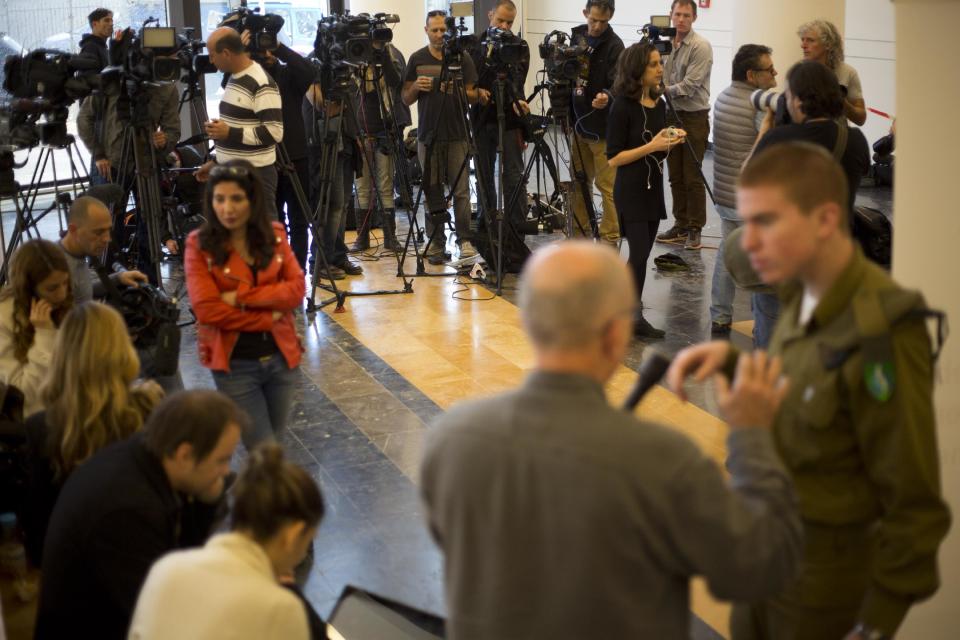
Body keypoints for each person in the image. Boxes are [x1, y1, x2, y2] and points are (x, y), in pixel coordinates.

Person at [421, 240, 803, 639]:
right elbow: (760, 568)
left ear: (528, 322)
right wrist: (754, 439)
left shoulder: (449, 440)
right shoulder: (664, 461)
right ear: (616, 333)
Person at [667, 143, 951, 640]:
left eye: (766, 224)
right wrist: (733, 363)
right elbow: (809, 391)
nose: (747, 243)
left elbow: (914, 507)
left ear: (824, 220)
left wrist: (874, 627)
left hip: (822, 596)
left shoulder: (879, 333)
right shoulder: (802, 291)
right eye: (746, 222)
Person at [35, 390, 245, 639]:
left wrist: (206, 504)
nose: (225, 472)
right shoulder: (128, 511)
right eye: (222, 460)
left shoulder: (144, 457)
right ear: (184, 454)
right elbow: (160, 617)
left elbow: (181, 566)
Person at [129, 442, 323, 640]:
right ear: (292, 534)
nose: (302, 555)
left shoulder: (167, 568)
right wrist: (292, 593)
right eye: (308, 540)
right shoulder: (279, 608)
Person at [21, 302, 162, 567]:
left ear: (63, 355)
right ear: (121, 349)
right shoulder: (148, 410)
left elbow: (40, 523)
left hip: (75, 566)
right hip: (142, 559)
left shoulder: (41, 428)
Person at [748, 60, 870, 347]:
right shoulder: (855, 140)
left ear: (800, 100)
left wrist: (766, 130)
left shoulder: (780, 138)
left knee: (774, 349)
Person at [184, 160, 305, 450]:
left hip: (281, 358)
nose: (227, 208)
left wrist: (239, 298)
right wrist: (269, 316)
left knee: (275, 445)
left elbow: (297, 290)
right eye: (219, 199)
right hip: (235, 365)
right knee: (264, 451)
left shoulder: (274, 234)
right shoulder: (198, 245)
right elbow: (207, 310)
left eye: (236, 198)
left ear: (252, 200)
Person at [76, 40, 181, 285]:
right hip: (111, 161)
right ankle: (110, 280)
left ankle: (149, 283)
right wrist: (98, 153)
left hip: (146, 161)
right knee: (107, 223)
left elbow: (173, 129)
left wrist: (164, 140)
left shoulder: (167, 88)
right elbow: (84, 120)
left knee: (150, 218)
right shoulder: (112, 83)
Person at [606, 43, 685, 340]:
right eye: (653, 64)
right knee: (638, 253)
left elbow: (656, 149)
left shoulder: (660, 104)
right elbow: (614, 158)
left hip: (652, 187)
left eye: (660, 63)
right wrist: (652, 146)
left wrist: (669, 140)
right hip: (630, 189)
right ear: (637, 70)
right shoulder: (621, 106)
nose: (660, 69)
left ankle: (630, 315)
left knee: (643, 254)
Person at [709, 44, 777, 337]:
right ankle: (763, 322)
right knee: (764, 261)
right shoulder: (757, 105)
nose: (775, 74)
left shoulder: (723, 97)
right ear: (751, 75)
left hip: (724, 193)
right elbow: (771, 149)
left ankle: (720, 315)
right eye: (769, 69)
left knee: (727, 251)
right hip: (749, 198)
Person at [402, 9, 479, 263]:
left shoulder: (462, 57)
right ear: (426, 30)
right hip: (428, 135)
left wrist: (454, 89)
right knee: (431, 189)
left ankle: (464, 240)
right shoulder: (416, 59)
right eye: (433, 30)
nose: (438, 35)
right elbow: (405, 97)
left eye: (442, 30)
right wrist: (415, 86)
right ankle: (435, 243)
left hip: (457, 132)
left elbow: (473, 94)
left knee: (461, 191)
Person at [196, 27, 283, 221]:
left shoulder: (260, 82)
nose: (210, 61)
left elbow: (274, 132)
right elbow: (239, 126)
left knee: (261, 241)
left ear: (226, 53)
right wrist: (217, 161)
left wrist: (229, 132)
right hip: (235, 173)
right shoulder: (234, 78)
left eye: (212, 55)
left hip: (256, 176)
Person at [657, 0, 714, 250]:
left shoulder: (700, 47)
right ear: (670, 15)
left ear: (694, 18)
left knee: (692, 176)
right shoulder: (663, 44)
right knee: (675, 176)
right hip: (670, 114)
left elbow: (690, 86)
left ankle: (695, 228)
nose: (681, 19)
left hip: (694, 116)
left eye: (686, 15)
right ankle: (680, 224)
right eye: (677, 14)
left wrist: (658, 90)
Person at [255, 39, 316, 270]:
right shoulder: (251, 79)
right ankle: (278, 269)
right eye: (261, 48)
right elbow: (227, 81)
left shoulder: (289, 75)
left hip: (296, 154)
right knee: (274, 219)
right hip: (265, 156)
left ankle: (298, 272)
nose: (266, 52)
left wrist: (278, 47)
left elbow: (309, 71)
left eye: (269, 48)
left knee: (300, 219)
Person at [567, 0, 624, 245]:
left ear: (610, 18)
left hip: (603, 130)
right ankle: (580, 236)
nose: (597, 25)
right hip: (578, 125)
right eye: (593, 20)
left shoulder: (615, 46)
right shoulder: (576, 38)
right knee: (579, 185)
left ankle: (610, 238)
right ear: (585, 14)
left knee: (607, 187)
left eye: (603, 21)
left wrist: (607, 96)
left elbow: (619, 83)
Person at [472, 1, 530, 238]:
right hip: (482, 117)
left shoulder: (519, 45)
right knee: (484, 174)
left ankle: (517, 231)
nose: (505, 27)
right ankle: (487, 227)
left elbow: (517, 81)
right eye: (501, 21)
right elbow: (474, 80)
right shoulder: (476, 44)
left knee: (514, 175)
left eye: (510, 23)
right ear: (490, 15)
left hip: (511, 117)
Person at [0, 240, 72, 418]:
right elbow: (24, 393)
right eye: (52, 288)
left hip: (71, 406)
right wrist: (45, 334)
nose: (62, 294)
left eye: (65, 283)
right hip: (38, 421)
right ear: (29, 289)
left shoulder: (59, 303)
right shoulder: (4, 318)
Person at [352, 35, 409, 253]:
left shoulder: (391, 55)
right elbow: (351, 91)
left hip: (385, 130)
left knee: (385, 185)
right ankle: (362, 238)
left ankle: (390, 237)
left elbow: (396, 81)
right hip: (361, 131)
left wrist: (382, 51)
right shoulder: (354, 56)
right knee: (362, 187)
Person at [59, 195, 148, 305]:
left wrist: (119, 278)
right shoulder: (57, 270)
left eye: (108, 230)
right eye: (98, 232)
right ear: (73, 230)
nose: (108, 239)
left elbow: (82, 290)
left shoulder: (77, 253)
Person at [799, 19, 866, 126]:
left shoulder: (848, 72)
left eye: (810, 40)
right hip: (805, 137)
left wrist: (841, 102)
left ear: (828, 44)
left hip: (837, 138)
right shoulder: (798, 72)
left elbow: (861, 118)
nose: (803, 45)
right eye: (803, 40)